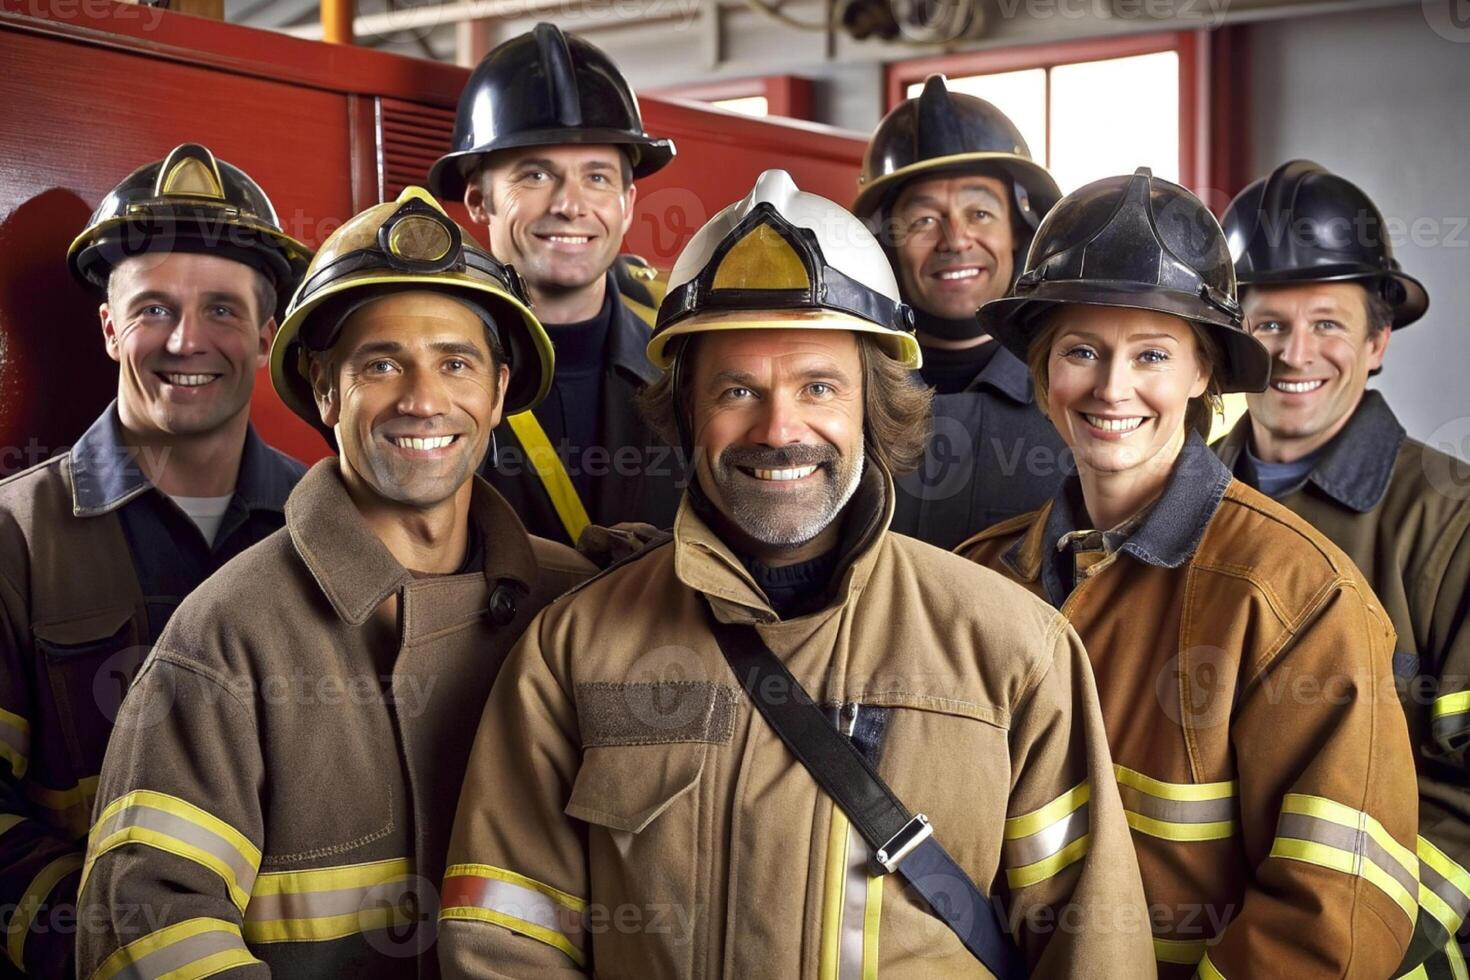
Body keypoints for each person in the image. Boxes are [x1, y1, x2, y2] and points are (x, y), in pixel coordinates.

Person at [437, 169, 1152, 979]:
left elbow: (1094, 945)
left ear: (873, 408)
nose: (780, 430)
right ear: (685, 413)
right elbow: (505, 945)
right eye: (738, 390)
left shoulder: (1012, 650)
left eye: (819, 387)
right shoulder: (572, 649)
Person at [75, 187, 595, 979]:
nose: (422, 400)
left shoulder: (575, 606)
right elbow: (149, 926)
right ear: (325, 390)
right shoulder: (228, 634)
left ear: (496, 392)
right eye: (381, 364)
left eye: (454, 363)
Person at [958, 167, 1420, 979]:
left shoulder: (1296, 596)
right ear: (1043, 371)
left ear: (1205, 372)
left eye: (1152, 354)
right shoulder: (978, 580)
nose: (1111, 388)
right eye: (1081, 351)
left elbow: (1335, 916)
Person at [0, 143, 309, 979]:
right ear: (109, 328)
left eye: (221, 310)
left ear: (267, 333)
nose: (185, 340)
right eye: (152, 310)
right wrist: (102, 941)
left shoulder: (332, 525)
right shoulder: (15, 538)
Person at [1216, 159, 1470, 976]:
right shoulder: (1169, 507)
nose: (1297, 353)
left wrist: (1345, 952)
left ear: (1377, 341)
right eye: (1268, 325)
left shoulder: (1452, 518)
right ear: (1228, 340)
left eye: (1328, 323)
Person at [430, 22, 683, 550]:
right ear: (479, 201)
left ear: (627, 204)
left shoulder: (687, 354)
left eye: (597, 177)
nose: (570, 205)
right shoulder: (426, 368)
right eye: (536, 175)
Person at [853, 74, 1070, 547]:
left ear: (1018, 230)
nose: (955, 240)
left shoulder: (1075, 400)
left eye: (980, 214)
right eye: (924, 220)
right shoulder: (843, 397)